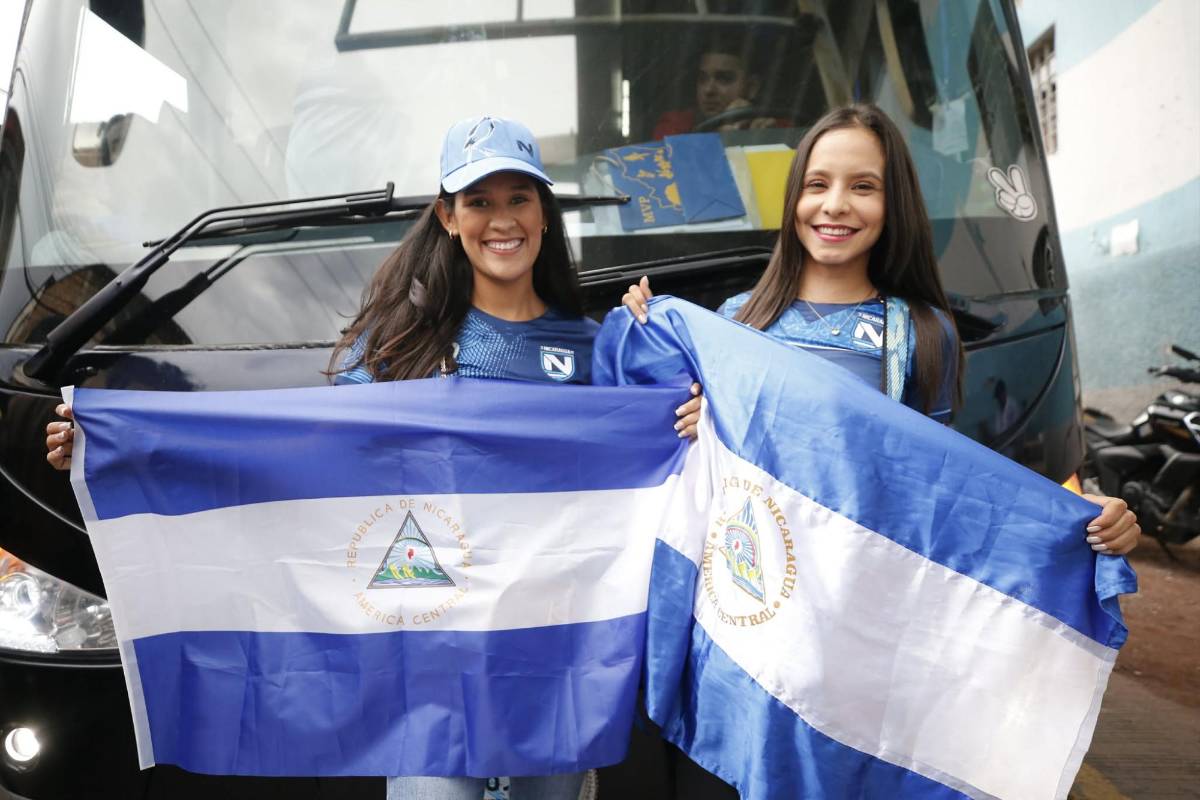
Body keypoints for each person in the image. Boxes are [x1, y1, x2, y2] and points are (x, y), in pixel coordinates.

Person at [47, 114, 703, 800]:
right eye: (479, 201)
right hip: (424, 664)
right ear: (448, 218)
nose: (500, 220)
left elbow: (645, 474)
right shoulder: (395, 344)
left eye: (518, 199)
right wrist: (111, 447)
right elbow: (309, 462)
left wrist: (679, 407)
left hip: (548, 656)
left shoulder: (595, 347)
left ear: (544, 215)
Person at [615, 102, 1140, 798]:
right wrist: (654, 375)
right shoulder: (731, 323)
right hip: (737, 634)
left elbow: (942, 496)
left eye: (863, 186)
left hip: (842, 653)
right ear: (794, 196)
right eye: (817, 184)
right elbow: (675, 476)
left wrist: (1082, 519)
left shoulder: (920, 336)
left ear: (893, 207)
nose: (835, 205)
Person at [652, 39, 778, 140]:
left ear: (752, 87)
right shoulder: (675, 125)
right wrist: (720, 137)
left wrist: (768, 139)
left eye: (724, 79)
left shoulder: (775, 128)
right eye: (702, 79)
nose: (708, 90)